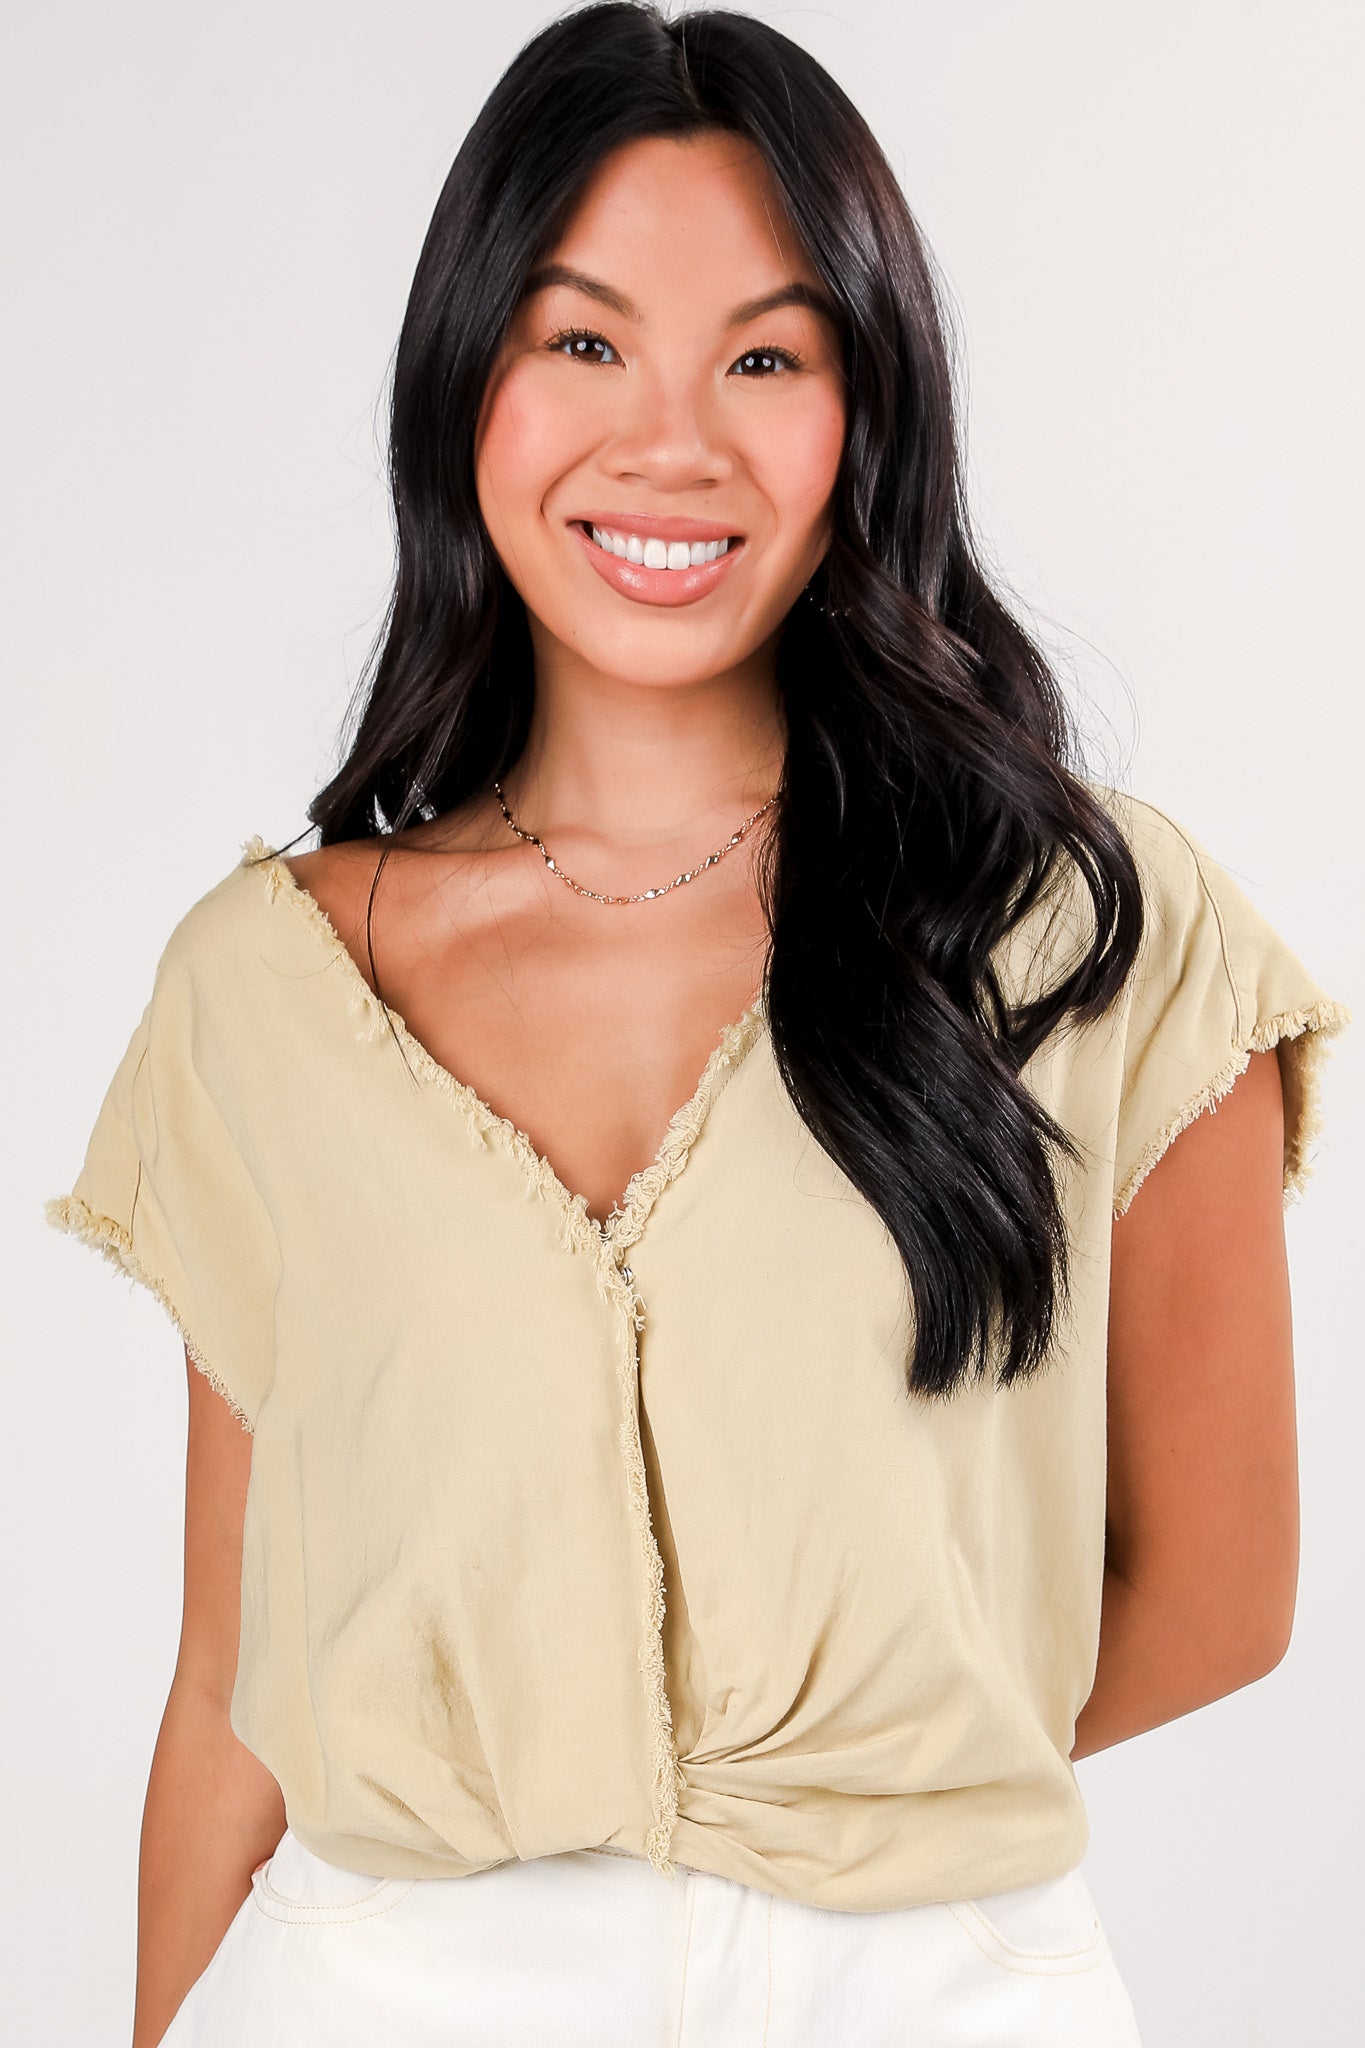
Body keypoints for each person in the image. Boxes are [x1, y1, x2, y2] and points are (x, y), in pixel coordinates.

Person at [44, 6, 1350, 2045]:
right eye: (579, 342)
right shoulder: (264, 991)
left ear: (867, 410)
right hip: (377, 1989)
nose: (670, 441)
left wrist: (837, 1786)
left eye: (764, 355)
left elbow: (1220, 1593)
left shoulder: (1089, 932)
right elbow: (232, 1688)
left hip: (930, 1988)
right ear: (461, 377)